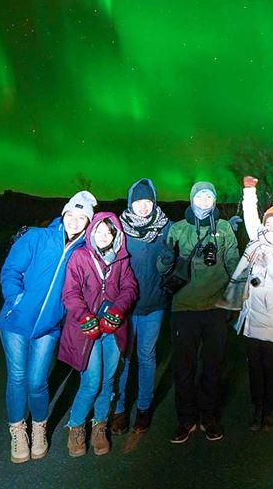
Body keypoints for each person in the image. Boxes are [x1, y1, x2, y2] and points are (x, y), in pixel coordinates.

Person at [0, 190, 97, 464]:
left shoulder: (83, 252)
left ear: (88, 222)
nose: (75, 222)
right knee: (17, 377)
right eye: (71, 215)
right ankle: (18, 431)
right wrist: (16, 298)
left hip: (48, 327)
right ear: (64, 214)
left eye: (82, 218)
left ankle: (38, 427)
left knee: (37, 381)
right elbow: (10, 271)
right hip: (15, 321)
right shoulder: (37, 237)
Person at [157, 181, 240, 443]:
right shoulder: (178, 229)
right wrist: (166, 259)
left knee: (213, 366)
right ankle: (185, 419)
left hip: (215, 308)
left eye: (208, 197)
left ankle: (209, 417)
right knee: (184, 368)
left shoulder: (224, 228)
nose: (204, 201)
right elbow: (162, 268)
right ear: (192, 200)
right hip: (184, 308)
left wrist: (236, 301)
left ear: (213, 202)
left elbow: (233, 262)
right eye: (200, 197)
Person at [220, 176, 273, 432]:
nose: (272, 226)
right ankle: (257, 407)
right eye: (269, 222)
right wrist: (249, 190)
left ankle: (271, 410)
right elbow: (250, 215)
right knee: (254, 367)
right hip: (251, 317)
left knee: (272, 367)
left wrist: (270, 263)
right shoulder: (257, 241)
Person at [58, 212, 139, 457]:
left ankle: (99, 426)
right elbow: (70, 292)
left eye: (109, 232)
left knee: (108, 381)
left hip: (112, 330)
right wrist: (84, 317)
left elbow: (130, 287)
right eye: (99, 232)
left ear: (115, 235)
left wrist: (117, 310)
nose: (104, 236)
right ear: (91, 233)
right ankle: (76, 427)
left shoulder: (121, 258)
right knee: (91, 382)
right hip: (88, 330)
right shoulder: (80, 257)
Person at [111, 179, 173, 434]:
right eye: (139, 202)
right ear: (130, 203)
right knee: (123, 358)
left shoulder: (165, 227)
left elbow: (178, 257)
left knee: (146, 357)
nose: (144, 207)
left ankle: (144, 408)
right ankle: (119, 410)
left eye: (148, 201)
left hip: (154, 304)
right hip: (126, 306)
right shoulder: (119, 228)